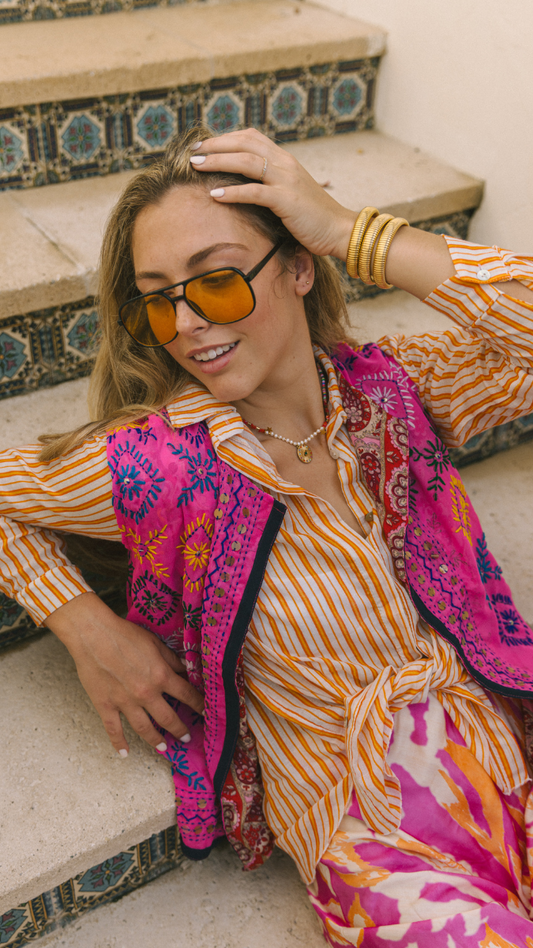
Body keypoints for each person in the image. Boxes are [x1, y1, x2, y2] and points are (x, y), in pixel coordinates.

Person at [1, 124, 533, 947]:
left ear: (295, 265)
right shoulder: (159, 466)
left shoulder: (389, 393)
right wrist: (80, 622)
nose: (185, 323)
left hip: (507, 759)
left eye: (215, 281)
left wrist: (355, 231)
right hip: (373, 839)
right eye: (158, 297)